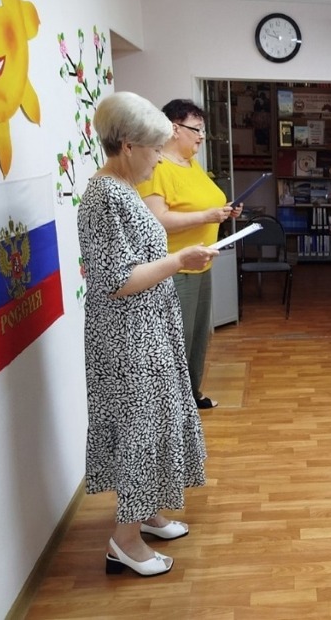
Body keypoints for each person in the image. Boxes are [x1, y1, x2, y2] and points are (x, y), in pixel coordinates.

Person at [77, 92, 219, 577]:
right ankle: (125, 540)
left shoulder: (122, 189)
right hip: (127, 337)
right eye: (155, 149)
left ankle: (148, 512)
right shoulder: (104, 197)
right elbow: (116, 280)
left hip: (147, 326)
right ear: (127, 145)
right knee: (140, 428)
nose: (159, 159)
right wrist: (180, 260)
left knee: (157, 421)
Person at [137, 99, 242, 410]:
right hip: (175, 268)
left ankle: (192, 394)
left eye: (203, 130)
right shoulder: (158, 167)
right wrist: (206, 216)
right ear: (174, 128)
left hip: (201, 263)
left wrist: (224, 211)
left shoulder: (192, 164)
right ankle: (173, 404)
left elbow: (203, 203)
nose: (201, 137)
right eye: (196, 129)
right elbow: (157, 220)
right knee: (177, 338)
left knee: (197, 337)